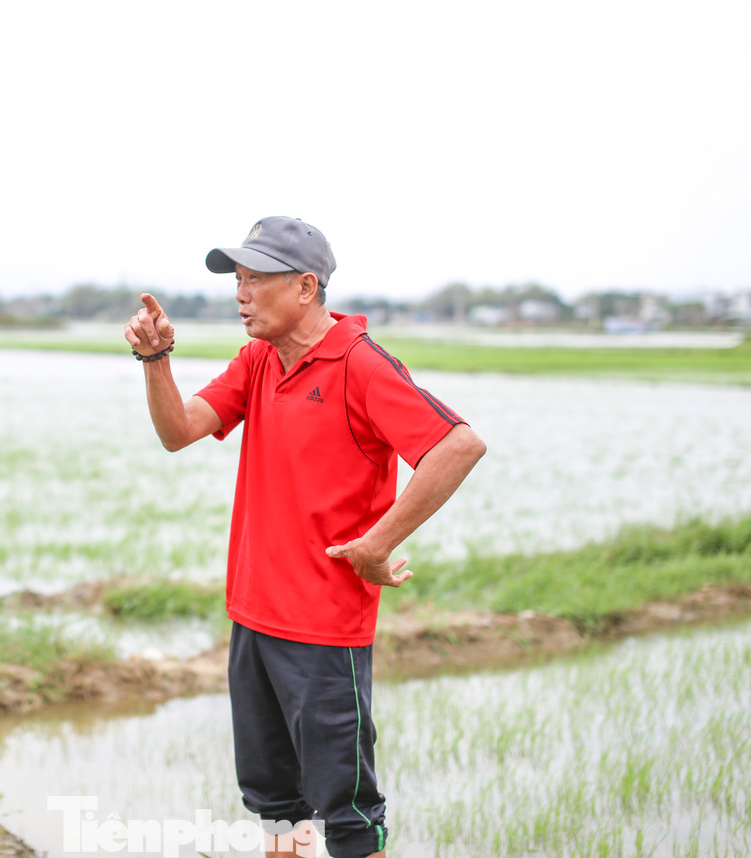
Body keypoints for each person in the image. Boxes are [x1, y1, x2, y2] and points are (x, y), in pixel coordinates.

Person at [124, 217, 486, 858]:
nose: (241, 295)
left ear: (305, 287)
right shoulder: (260, 359)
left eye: (255, 279)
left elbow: (458, 445)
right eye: (237, 280)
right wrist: (156, 360)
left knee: (348, 818)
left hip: (324, 633)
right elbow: (179, 430)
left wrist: (377, 542)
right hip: (253, 619)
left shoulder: (361, 364)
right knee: (276, 807)